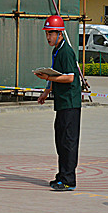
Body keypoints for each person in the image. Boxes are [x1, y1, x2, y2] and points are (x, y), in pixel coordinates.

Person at [35, 15, 82, 192]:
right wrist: (46, 91)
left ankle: (69, 180)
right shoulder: (56, 50)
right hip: (62, 103)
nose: (48, 37)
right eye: (46, 34)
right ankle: (62, 175)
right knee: (60, 141)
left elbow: (69, 77)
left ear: (60, 33)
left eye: (51, 34)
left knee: (68, 141)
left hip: (70, 103)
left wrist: (47, 77)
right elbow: (55, 74)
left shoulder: (66, 52)